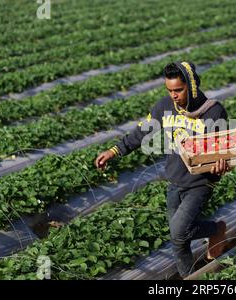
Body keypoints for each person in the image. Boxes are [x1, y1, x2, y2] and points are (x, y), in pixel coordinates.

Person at [95, 61, 229, 278]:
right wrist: (115, 151)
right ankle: (189, 277)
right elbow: (142, 131)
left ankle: (215, 230)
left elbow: (224, 148)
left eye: (178, 90)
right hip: (175, 179)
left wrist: (222, 162)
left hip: (200, 182)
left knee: (178, 233)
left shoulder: (213, 111)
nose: (174, 95)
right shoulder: (164, 107)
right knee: (179, 242)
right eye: (170, 90)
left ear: (191, 86)